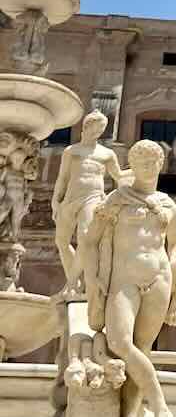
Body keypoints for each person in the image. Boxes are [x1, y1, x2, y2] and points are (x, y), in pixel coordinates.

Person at [80, 139, 176, 417]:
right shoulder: (117, 200)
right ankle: (161, 407)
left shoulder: (168, 204)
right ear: (132, 167)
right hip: (124, 279)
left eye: (152, 163)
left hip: (160, 278)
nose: (147, 168)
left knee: (142, 348)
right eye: (140, 164)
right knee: (121, 343)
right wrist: (92, 277)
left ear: (160, 166)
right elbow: (88, 240)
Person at [52, 110, 129, 293]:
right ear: (86, 126)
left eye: (101, 128)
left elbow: (118, 176)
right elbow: (62, 178)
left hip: (93, 198)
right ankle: (75, 279)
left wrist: (140, 170)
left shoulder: (107, 154)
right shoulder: (71, 151)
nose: (99, 131)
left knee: (85, 238)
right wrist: (56, 201)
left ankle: (71, 283)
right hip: (70, 198)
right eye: (96, 127)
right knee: (61, 241)